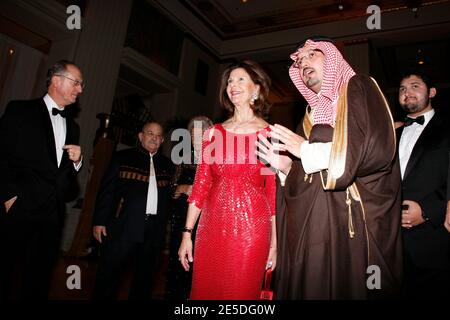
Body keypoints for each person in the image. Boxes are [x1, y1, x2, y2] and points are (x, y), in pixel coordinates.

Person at [257, 37, 402, 299]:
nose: (303, 63)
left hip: (353, 226)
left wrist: (306, 151)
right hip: (317, 229)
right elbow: (309, 173)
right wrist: (288, 168)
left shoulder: (360, 88)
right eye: (299, 62)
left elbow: (377, 150)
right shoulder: (309, 118)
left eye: (313, 55)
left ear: (333, 60)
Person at [178, 60, 277, 300]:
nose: (233, 85)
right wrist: (186, 234)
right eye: (230, 81)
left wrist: (275, 243)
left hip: (252, 230)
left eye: (240, 79)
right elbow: (201, 186)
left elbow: (272, 193)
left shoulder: (269, 135)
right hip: (211, 228)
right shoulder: (213, 134)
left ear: (256, 88)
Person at [0, 60, 83, 299]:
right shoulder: (20, 110)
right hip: (19, 207)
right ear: (57, 80)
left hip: (53, 215)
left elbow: (64, 179)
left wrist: (76, 162)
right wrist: (8, 196)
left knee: (38, 279)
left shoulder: (74, 127)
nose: (80, 89)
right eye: (76, 83)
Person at [92, 121, 175, 300]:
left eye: (158, 135)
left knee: (144, 282)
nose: (154, 138)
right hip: (123, 226)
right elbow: (107, 190)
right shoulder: (122, 157)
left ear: (162, 141)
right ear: (140, 136)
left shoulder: (168, 166)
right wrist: (99, 221)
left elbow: (172, 196)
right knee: (109, 277)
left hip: (154, 231)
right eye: (150, 133)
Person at [397, 70, 450, 299]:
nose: (407, 92)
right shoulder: (392, 132)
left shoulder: (448, 128)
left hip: (434, 239)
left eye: (415, 86)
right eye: (402, 88)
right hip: (392, 243)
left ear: (432, 92)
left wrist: (428, 210)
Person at [165, 115, 213, 301]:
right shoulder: (183, 157)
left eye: (201, 133)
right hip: (182, 217)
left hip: (207, 219)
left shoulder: (216, 159)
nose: (197, 137)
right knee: (178, 263)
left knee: (201, 265)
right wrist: (185, 188)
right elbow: (170, 189)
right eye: (193, 133)